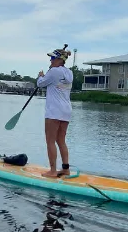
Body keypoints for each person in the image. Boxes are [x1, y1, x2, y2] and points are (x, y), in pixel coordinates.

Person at [37, 44, 74, 178]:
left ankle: (52, 171)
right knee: (61, 140)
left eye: (52, 58)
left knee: (50, 141)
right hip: (66, 110)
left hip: (54, 111)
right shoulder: (69, 73)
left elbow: (41, 83)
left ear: (59, 60)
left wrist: (40, 76)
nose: (50, 60)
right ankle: (65, 169)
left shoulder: (53, 71)